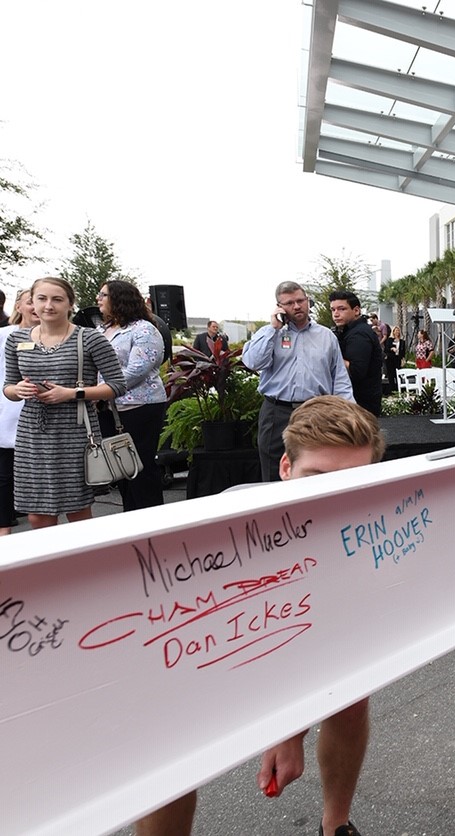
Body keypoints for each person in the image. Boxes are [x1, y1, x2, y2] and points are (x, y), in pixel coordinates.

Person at [136, 395, 384, 836]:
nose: (331, 494)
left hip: (299, 625)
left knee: (352, 697)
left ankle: (336, 825)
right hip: (202, 640)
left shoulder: (369, 529)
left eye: (351, 479)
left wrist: (290, 729)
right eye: (316, 477)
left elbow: (331, 629)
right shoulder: (224, 529)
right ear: (286, 469)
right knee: (167, 752)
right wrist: (280, 724)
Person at [2, 277, 126, 528]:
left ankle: (83, 566)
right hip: (31, 434)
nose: (49, 305)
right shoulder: (16, 340)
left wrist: (72, 393)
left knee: (77, 510)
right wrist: (19, 389)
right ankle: (48, 566)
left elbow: (117, 385)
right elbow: (8, 388)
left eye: (57, 299)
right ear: (31, 303)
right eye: (42, 299)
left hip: (75, 430)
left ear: (70, 304)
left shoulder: (90, 339)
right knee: (36, 512)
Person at [242, 281, 353, 481]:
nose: (296, 306)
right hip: (277, 413)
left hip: (315, 412)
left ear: (308, 301)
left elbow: (340, 379)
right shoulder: (269, 334)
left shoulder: (326, 336)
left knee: (315, 469)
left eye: (301, 300)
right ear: (279, 307)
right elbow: (252, 362)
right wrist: (273, 328)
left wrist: (350, 414)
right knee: (273, 471)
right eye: (289, 303)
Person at [97, 280, 167, 511]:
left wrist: (102, 390)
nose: (98, 299)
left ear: (120, 299)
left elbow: (137, 369)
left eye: (104, 295)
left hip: (140, 406)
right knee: (120, 467)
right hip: (106, 407)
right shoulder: (101, 330)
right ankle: (130, 517)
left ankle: (151, 523)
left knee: (141, 466)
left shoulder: (144, 329)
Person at [0, 290, 32, 535]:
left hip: (43, 418)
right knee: (4, 478)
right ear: (18, 306)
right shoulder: (3, 336)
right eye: (31, 300)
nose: (36, 306)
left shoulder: (58, 337)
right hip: (6, 414)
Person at [328, 291, 383, 417]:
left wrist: (331, 357)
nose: (336, 314)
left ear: (356, 310)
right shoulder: (351, 331)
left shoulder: (359, 334)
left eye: (341, 309)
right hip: (356, 403)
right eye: (333, 310)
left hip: (360, 405)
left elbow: (356, 370)